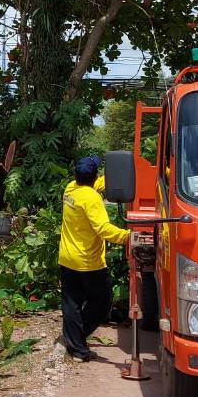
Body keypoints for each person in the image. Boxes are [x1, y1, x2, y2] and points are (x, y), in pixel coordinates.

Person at [58, 155, 130, 361]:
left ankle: (74, 343)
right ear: (94, 176)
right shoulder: (91, 199)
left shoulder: (71, 189)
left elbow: (95, 184)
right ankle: (78, 343)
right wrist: (127, 237)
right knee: (102, 302)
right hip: (87, 263)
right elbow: (103, 229)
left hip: (67, 257)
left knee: (71, 303)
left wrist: (113, 176)